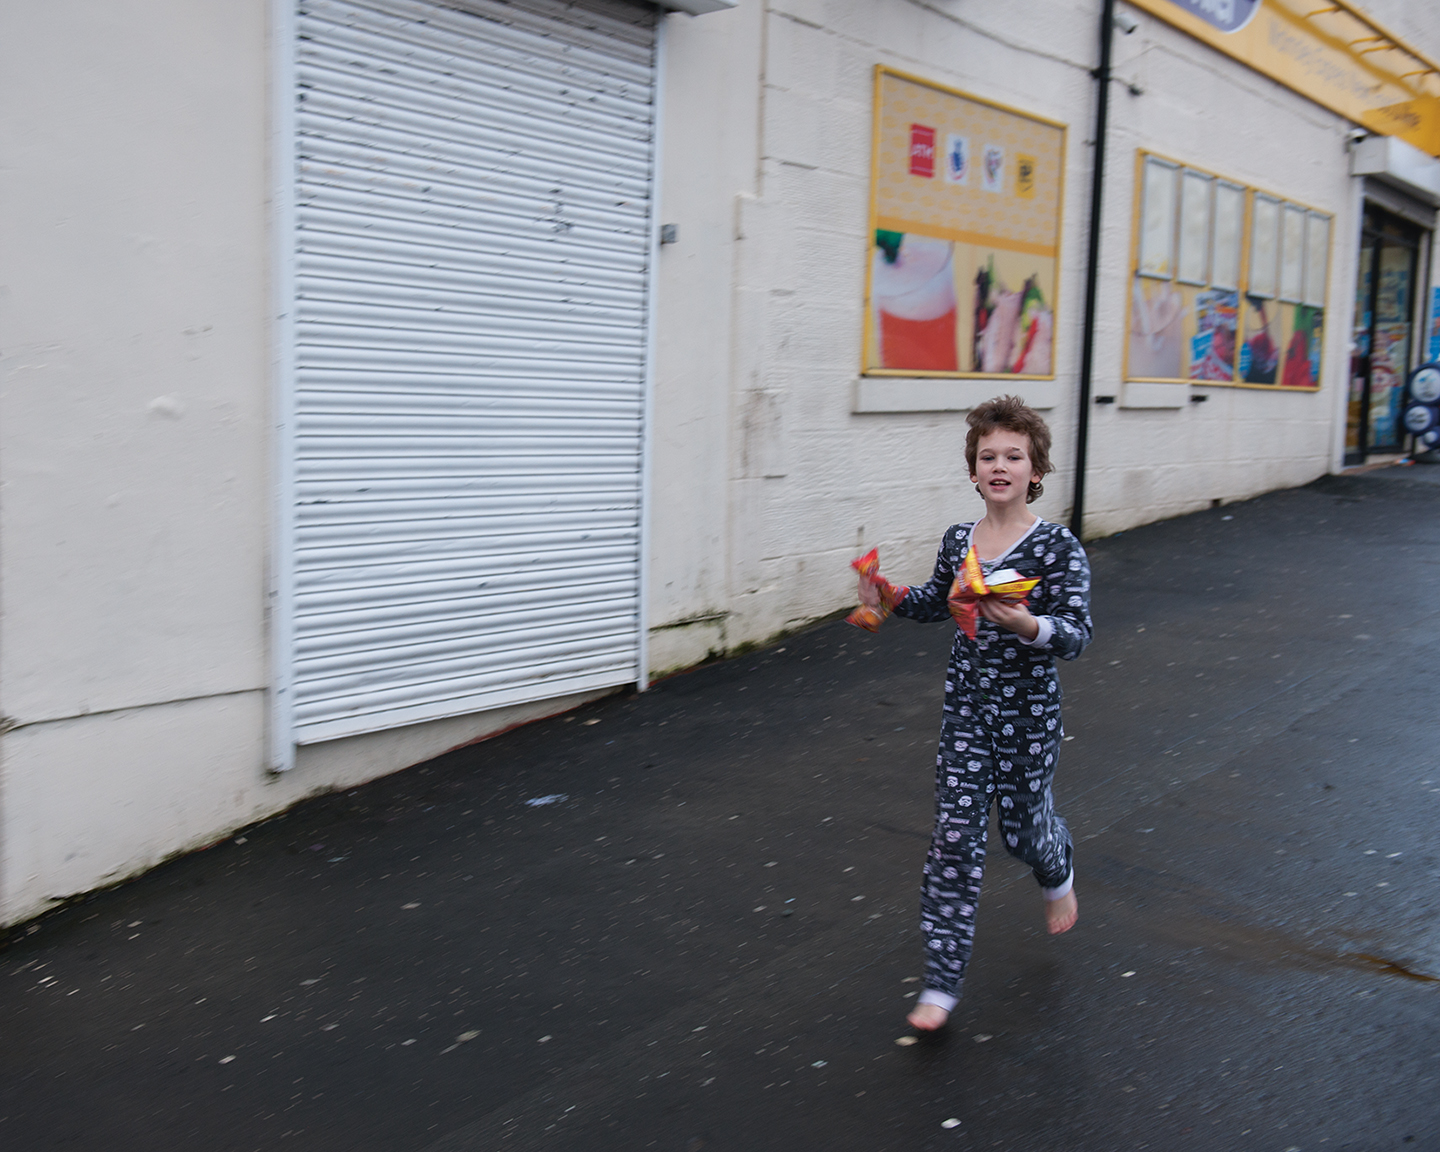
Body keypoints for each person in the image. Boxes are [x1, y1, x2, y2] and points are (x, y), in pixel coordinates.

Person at [856, 395, 1092, 1032]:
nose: (1000, 465)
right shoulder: (959, 540)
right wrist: (891, 595)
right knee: (955, 841)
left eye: (1013, 455)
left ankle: (1056, 864)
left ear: (1034, 469)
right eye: (988, 455)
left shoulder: (1057, 547)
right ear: (973, 470)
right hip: (967, 715)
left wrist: (1028, 623)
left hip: (1030, 717)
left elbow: (1075, 634)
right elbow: (938, 601)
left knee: (1022, 832)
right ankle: (941, 983)